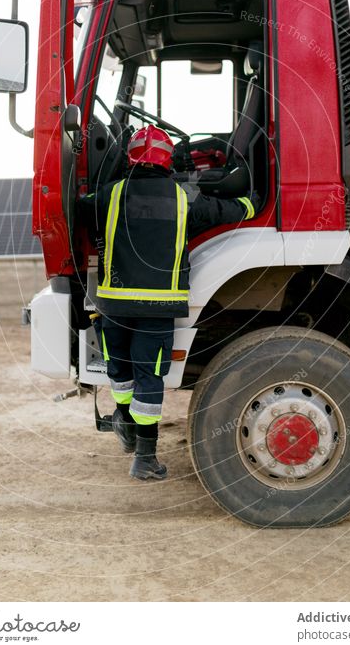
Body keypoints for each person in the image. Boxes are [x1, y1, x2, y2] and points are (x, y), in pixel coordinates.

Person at [82, 124, 258, 481]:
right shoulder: (184, 199)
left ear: (131, 158)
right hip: (157, 311)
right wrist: (252, 202)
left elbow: (77, 209)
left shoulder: (109, 196)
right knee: (149, 378)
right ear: (167, 160)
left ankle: (125, 425)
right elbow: (233, 211)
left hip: (114, 308)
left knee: (121, 372)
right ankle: (144, 459)